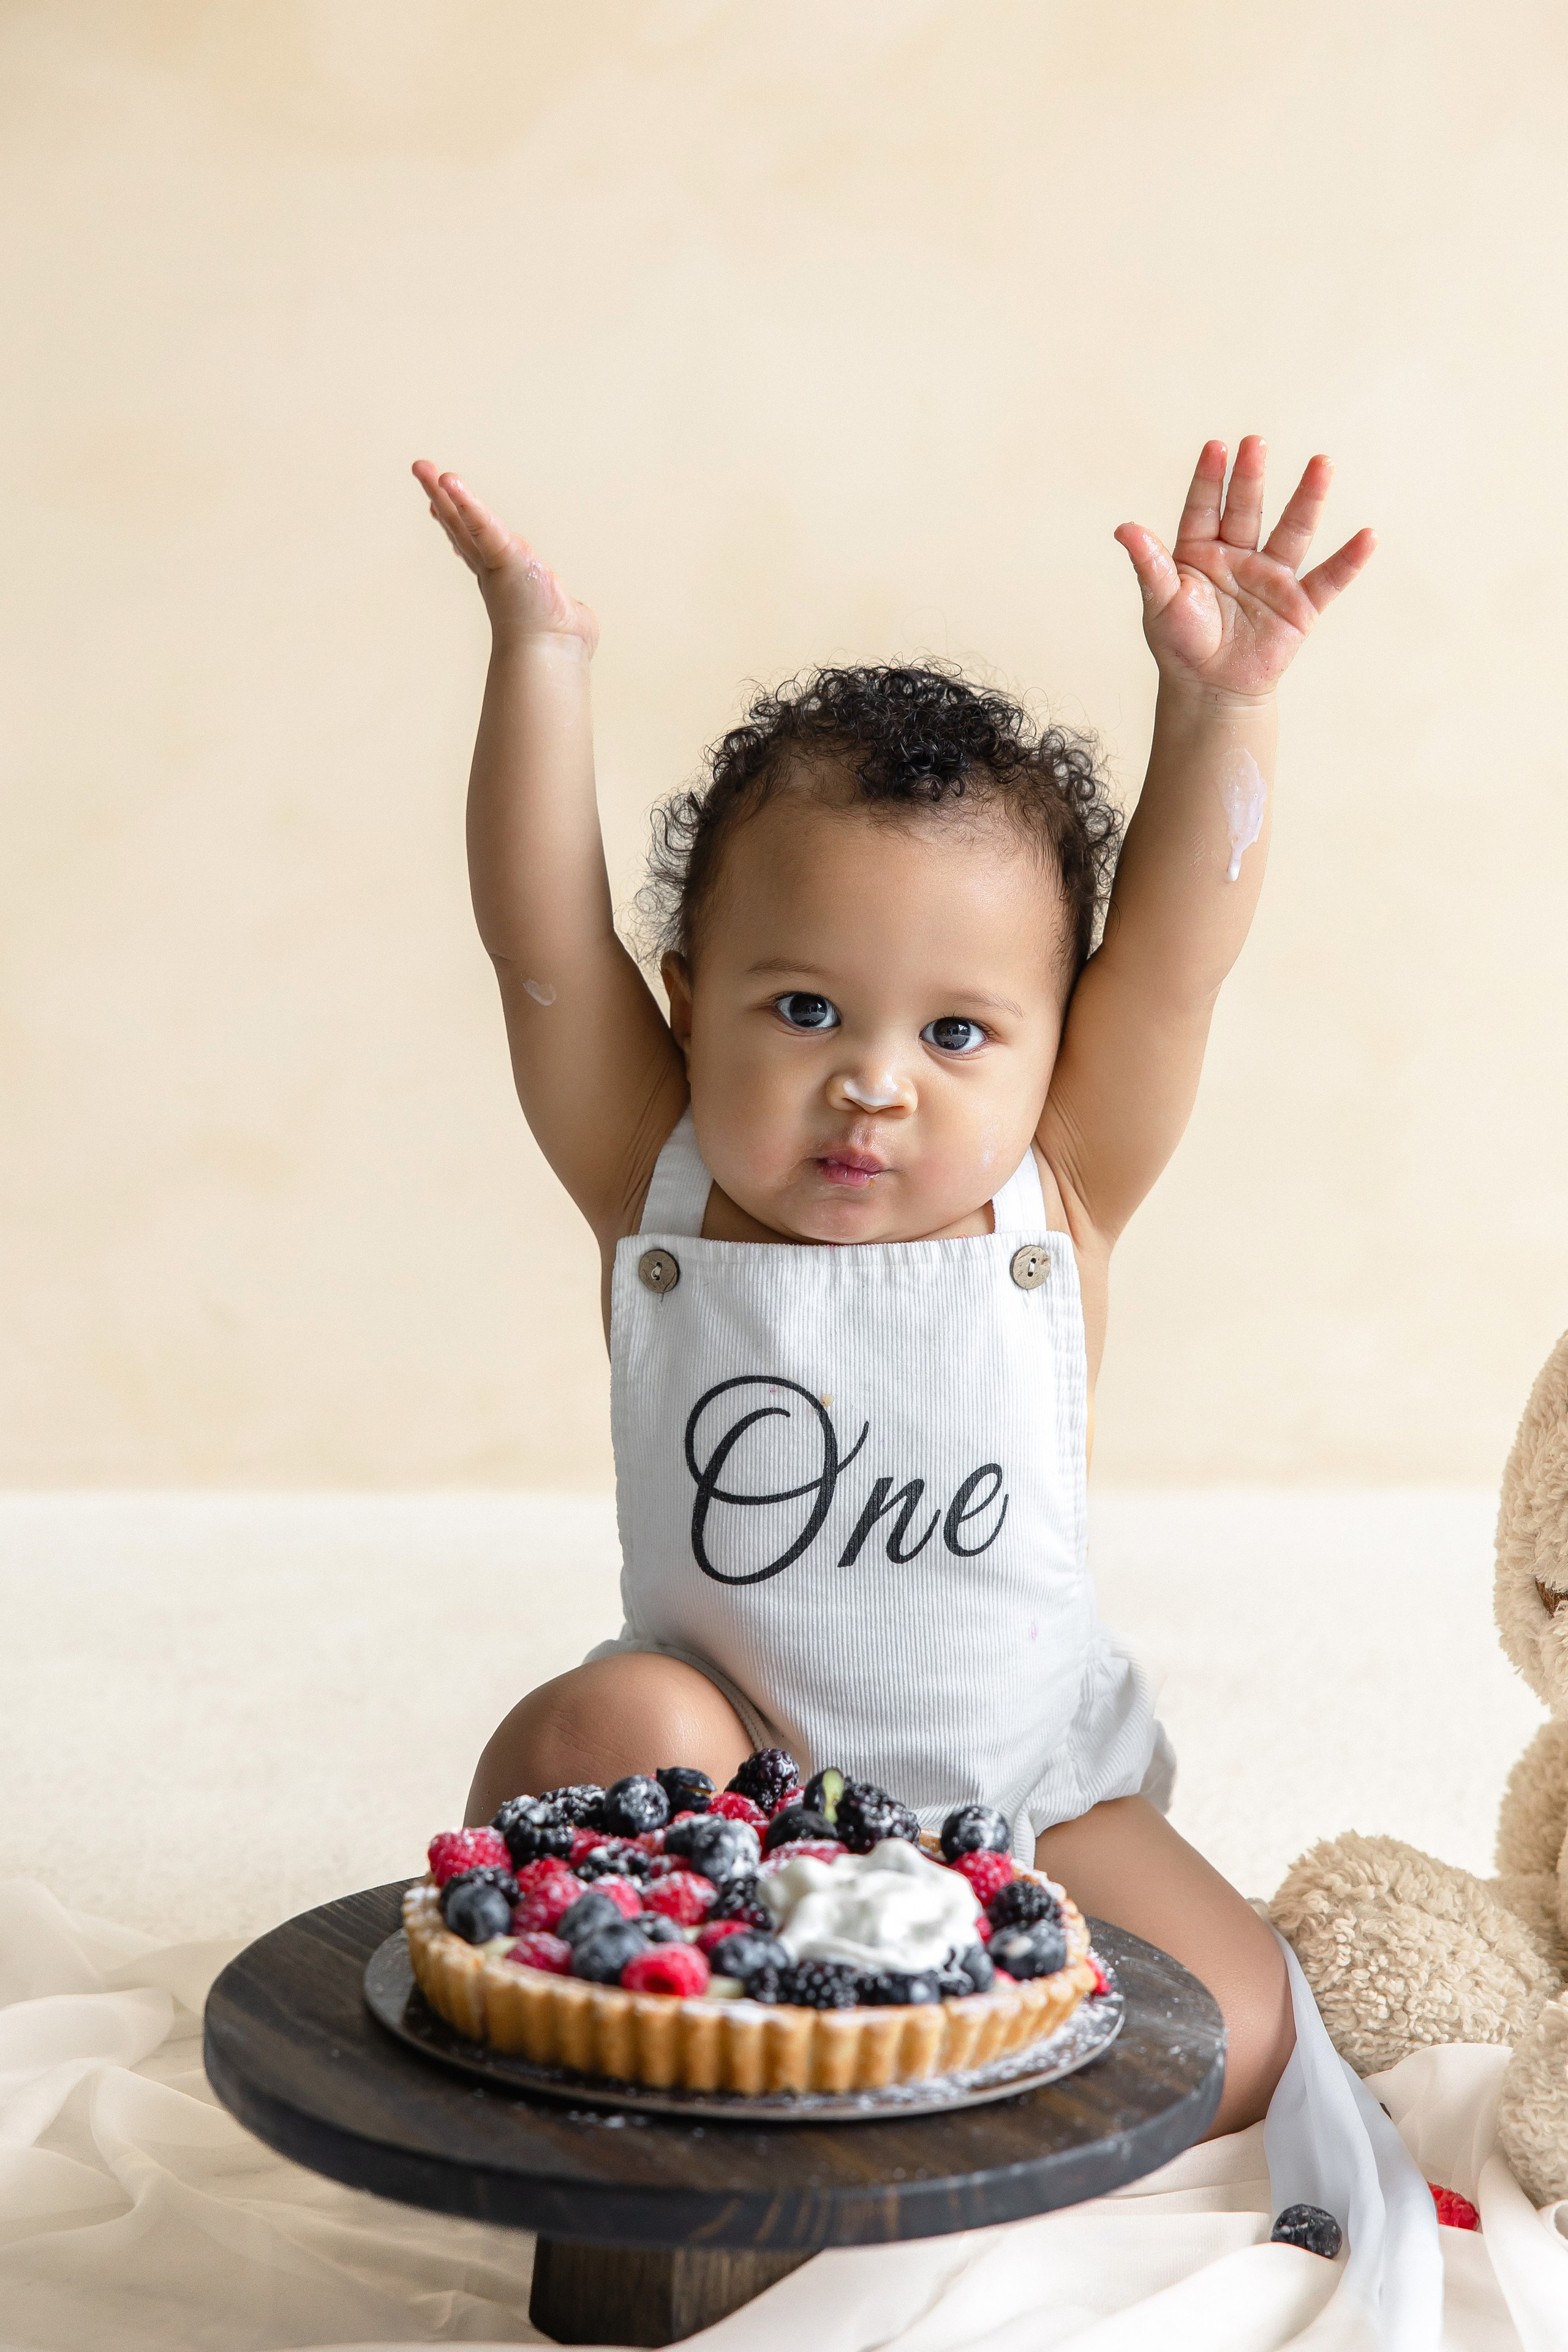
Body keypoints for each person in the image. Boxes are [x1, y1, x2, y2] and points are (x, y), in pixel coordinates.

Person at [412, 440, 1374, 2130]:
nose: (875, 1083)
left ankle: (928, 2067)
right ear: (691, 1000)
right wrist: (537, 653)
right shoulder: (663, 1179)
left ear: (1050, 1047)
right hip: (736, 1786)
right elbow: (541, 941)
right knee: (609, 1722)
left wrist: (1223, 709)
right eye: (802, 1012)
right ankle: (698, 2023)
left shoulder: (1054, 1190)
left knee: (1243, 2030)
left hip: (1027, 1793)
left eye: (954, 1033)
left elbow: (1175, 970)